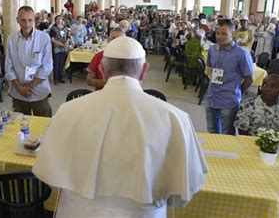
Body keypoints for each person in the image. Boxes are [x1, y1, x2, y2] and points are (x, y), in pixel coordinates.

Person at [33, 36, 207, 217]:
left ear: (102, 70)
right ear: (144, 71)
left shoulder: (68, 110)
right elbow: (187, 188)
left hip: (78, 211)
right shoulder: (176, 118)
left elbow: (48, 171)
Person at [205, 19, 253, 135]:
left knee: (227, 134)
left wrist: (238, 92)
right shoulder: (212, 49)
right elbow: (211, 70)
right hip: (212, 97)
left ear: (232, 33)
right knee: (212, 131)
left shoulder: (241, 53)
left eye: (224, 34)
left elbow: (249, 78)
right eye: (217, 33)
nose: (219, 37)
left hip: (229, 100)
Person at [5, 6, 53, 116]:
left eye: (30, 20)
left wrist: (30, 86)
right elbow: (8, 66)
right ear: (17, 20)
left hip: (39, 91)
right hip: (18, 93)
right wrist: (19, 88)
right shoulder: (11, 39)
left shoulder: (44, 38)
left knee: (43, 125)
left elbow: (47, 66)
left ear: (34, 20)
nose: (27, 24)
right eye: (23, 20)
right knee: (19, 127)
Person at [49, 15, 70, 85]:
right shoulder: (53, 29)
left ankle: (61, 78)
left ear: (62, 20)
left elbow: (68, 37)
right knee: (56, 64)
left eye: (60, 19)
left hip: (64, 49)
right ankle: (56, 80)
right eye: (57, 19)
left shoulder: (65, 28)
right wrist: (61, 44)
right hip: (56, 49)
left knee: (61, 64)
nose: (59, 20)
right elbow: (52, 40)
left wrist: (66, 43)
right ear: (55, 20)